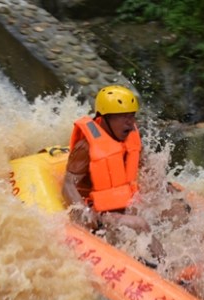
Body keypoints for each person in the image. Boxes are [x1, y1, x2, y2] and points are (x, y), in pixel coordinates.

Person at [61, 85, 152, 235]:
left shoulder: (130, 138)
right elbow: (68, 185)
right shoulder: (86, 147)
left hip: (122, 205)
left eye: (132, 116)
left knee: (173, 207)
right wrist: (85, 212)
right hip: (98, 211)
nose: (130, 123)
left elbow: (147, 168)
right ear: (105, 118)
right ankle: (161, 259)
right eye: (123, 116)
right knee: (140, 224)